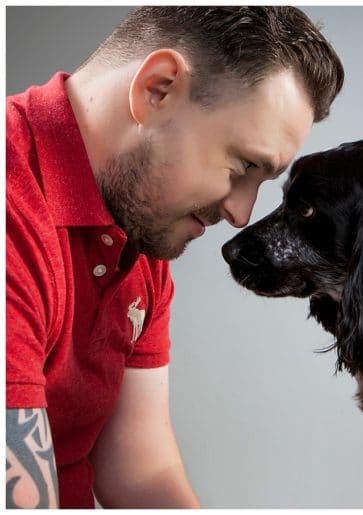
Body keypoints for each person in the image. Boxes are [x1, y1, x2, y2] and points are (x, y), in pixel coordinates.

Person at [6, 7, 344, 508]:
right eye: (243, 164)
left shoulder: (140, 230)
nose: (240, 213)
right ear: (158, 89)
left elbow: (140, 472)